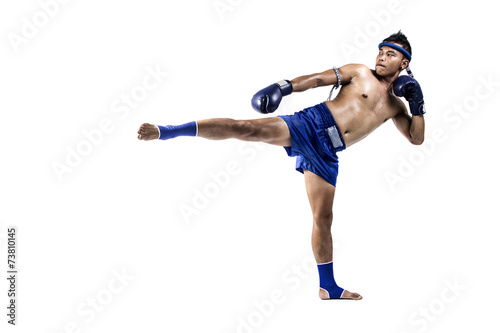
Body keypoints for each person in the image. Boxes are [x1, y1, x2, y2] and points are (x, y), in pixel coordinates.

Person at [137, 31, 425, 300]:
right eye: (381, 52)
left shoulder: (397, 107)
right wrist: (282, 87)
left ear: (404, 62)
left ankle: (328, 287)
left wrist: (418, 106)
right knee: (247, 128)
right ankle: (169, 130)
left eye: (389, 54)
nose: (381, 58)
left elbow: (416, 138)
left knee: (323, 219)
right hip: (312, 124)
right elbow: (316, 80)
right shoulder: (360, 71)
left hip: (328, 152)